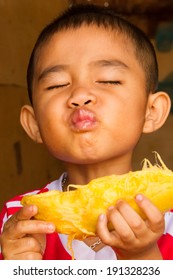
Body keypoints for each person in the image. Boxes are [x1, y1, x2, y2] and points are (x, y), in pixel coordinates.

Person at [0, 4, 172, 260]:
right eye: (57, 85)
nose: (80, 96)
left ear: (152, 111)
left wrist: (143, 257)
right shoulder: (17, 221)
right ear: (33, 123)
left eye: (108, 80)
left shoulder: (168, 216)